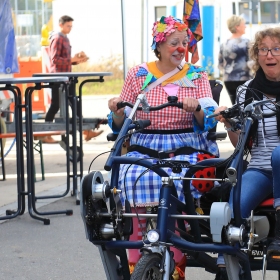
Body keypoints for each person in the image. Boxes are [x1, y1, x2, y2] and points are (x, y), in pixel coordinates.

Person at [108, 15, 219, 279]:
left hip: (186, 145)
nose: (181, 48)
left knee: (180, 179)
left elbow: (210, 120)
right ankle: (137, 259)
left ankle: (177, 263)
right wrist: (116, 108)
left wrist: (199, 108)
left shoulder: (196, 74)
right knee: (130, 176)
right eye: (174, 42)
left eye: (184, 42)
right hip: (145, 144)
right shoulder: (139, 74)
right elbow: (120, 121)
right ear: (158, 45)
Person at [215, 27, 280, 280]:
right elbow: (239, 144)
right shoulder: (246, 91)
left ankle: (278, 234)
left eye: (275, 48)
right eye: (263, 49)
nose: (269, 54)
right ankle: (227, 267)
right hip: (261, 168)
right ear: (257, 55)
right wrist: (229, 123)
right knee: (234, 208)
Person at [43, 15, 103, 144]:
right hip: (58, 77)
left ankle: (86, 132)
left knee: (75, 103)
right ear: (61, 25)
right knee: (56, 105)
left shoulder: (65, 38)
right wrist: (72, 60)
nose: (70, 28)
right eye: (68, 26)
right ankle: (45, 134)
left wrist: (76, 60)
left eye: (71, 26)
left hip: (66, 77)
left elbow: (65, 61)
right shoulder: (57, 38)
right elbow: (55, 59)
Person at [218, 15, 253, 105]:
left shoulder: (224, 44)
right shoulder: (246, 42)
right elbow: (252, 62)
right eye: (243, 24)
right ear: (237, 27)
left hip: (228, 80)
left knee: (235, 106)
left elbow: (220, 65)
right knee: (246, 106)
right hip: (244, 78)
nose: (245, 26)